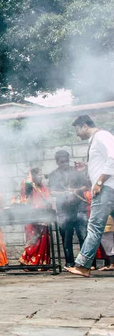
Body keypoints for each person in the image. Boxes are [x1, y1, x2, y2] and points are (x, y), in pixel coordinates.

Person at [65, 115, 114, 277]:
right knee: (96, 227)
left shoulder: (101, 136)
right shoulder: (96, 139)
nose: (77, 134)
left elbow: (113, 157)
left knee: (94, 227)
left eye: (77, 130)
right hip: (109, 188)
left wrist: (99, 182)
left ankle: (83, 266)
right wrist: (88, 166)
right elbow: (104, 161)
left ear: (85, 126)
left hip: (105, 189)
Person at [48, 150, 89, 267]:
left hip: (79, 207)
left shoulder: (76, 171)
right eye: (62, 162)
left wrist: (76, 191)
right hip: (63, 209)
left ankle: (85, 263)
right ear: (57, 162)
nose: (64, 164)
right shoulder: (53, 175)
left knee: (83, 235)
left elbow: (86, 185)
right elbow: (52, 191)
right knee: (66, 237)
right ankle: (69, 262)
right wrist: (64, 193)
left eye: (66, 161)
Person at [18, 168, 52, 268]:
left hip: (44, 217)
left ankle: (41, 264)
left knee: (44, 241)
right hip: (31, 217)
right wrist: (29, 175)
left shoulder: (43, 187)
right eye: (38, 174)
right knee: (33, 241)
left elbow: (48, 200)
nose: (41, 176)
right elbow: (25, 192)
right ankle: (28, 262)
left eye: (41, 174)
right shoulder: (28, 185)